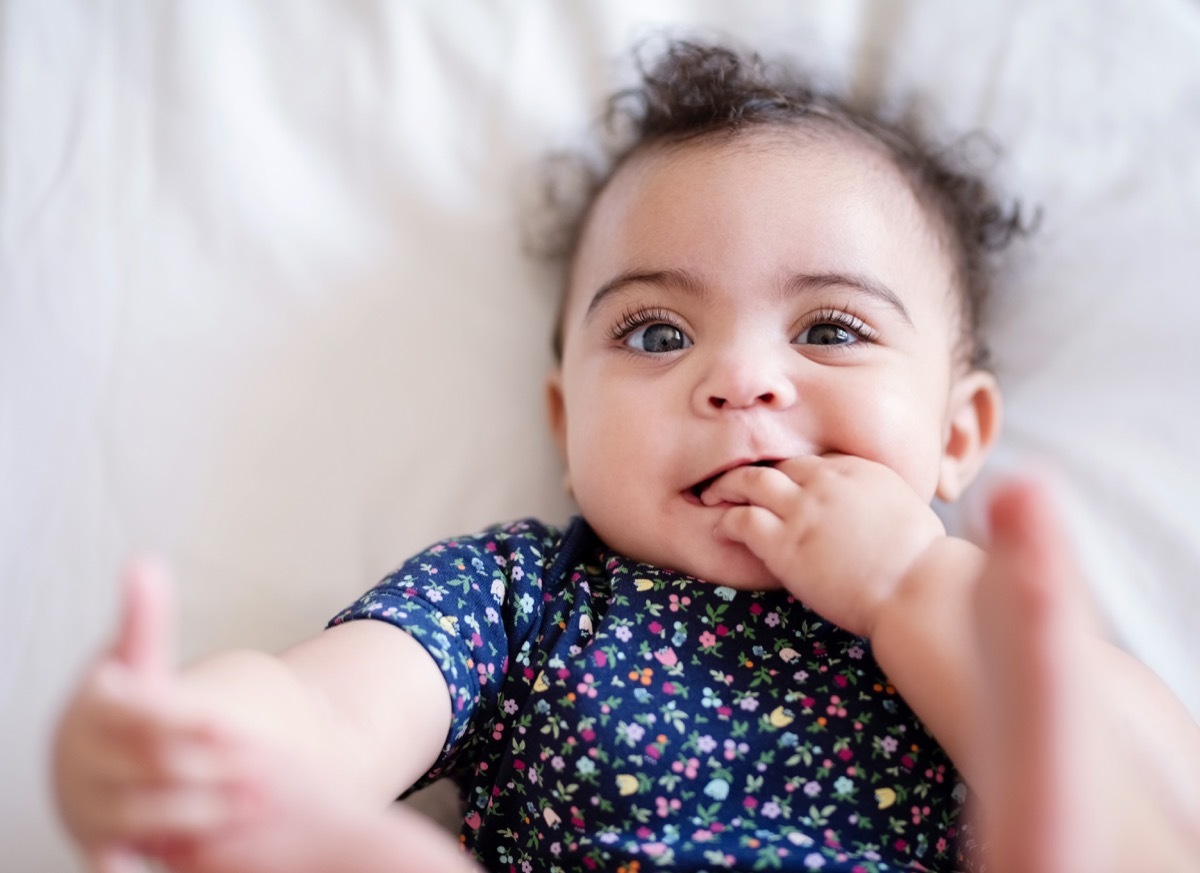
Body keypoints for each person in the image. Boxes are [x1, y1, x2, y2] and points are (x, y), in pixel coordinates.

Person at [52, 39, 1200, 873]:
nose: (740, 380)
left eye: (830, 329)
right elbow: (327, 711)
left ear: (955, 434)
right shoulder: (520, 595)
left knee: (1098, 805)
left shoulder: (985, 620)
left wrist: (910, 585)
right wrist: (194, 751)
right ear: (568, 426)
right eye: (656, 333)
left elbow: (1178, 810)